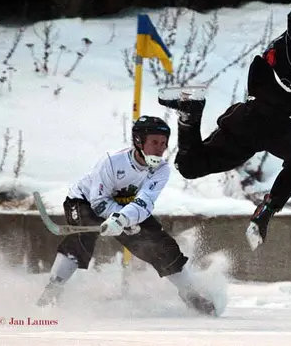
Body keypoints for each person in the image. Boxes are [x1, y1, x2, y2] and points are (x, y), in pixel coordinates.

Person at [158, 0, 291, 251]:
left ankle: (190, 114)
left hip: (250, 124)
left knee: (189, 166)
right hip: (273, 124)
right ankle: (267, 210)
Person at [36, 116, 217, 317]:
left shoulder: (162, 169)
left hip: (127, 208)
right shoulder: (112, 162)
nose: (160, 148)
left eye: (164, 143)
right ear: (139, 141)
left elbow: (145, 202)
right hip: (83, 201)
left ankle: (190, 294)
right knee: (82, 238)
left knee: (161, 245)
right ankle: (52, 290)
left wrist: (124, 220)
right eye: (154, 142)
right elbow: (98, 202)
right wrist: (120, 219)